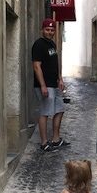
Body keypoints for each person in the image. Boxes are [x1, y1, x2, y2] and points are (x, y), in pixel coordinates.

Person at [32, 18, 70, 151]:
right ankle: (44, 143)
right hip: (45, 85)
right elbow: (36, 66)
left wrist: (60, 78)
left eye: (52, 30)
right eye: (47, 30)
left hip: (54, 84)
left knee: (60, 109)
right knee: (45, 112)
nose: (50, 32)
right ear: (42, 30)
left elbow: (55, 63)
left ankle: (56, 139)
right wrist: (42, 85)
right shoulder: (39, 44)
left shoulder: (52, 45)